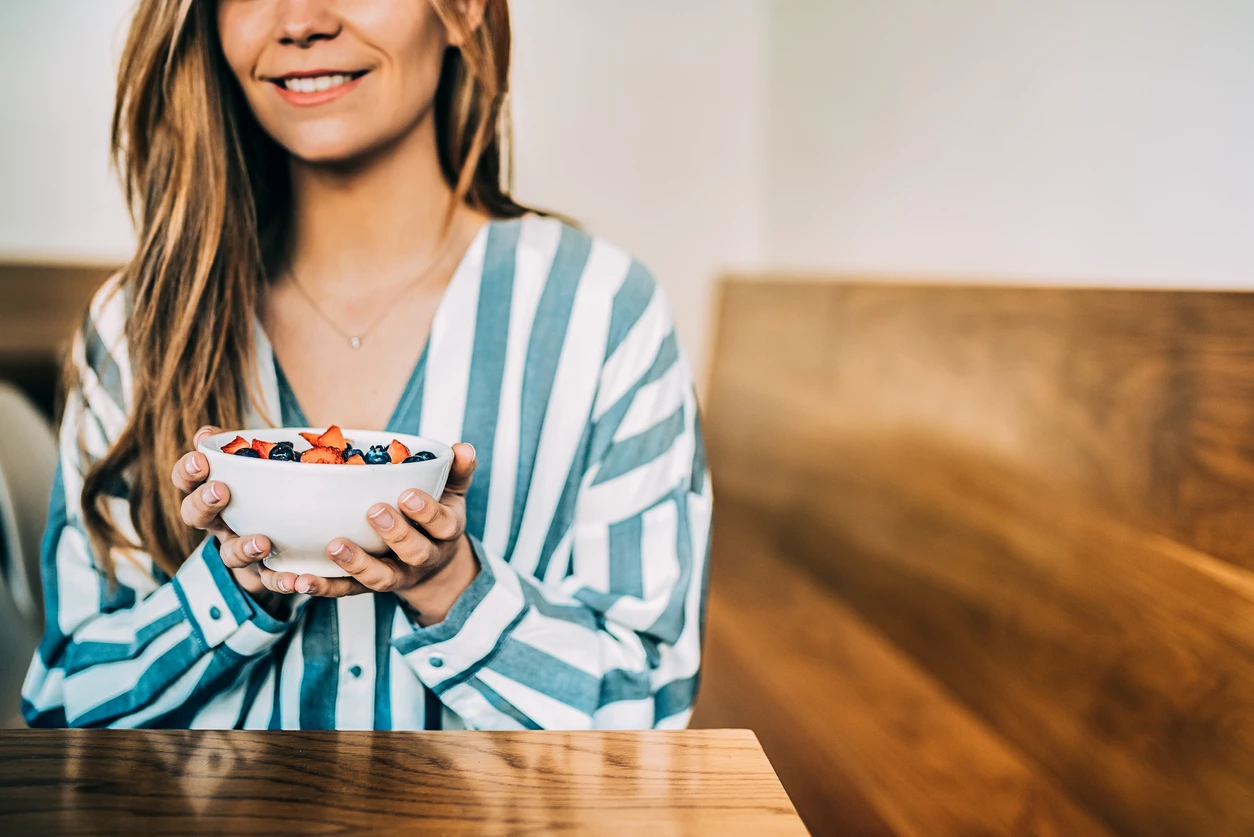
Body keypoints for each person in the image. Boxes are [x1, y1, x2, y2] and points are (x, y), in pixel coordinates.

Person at [22, 0, 710, 731]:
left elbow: (650, 708)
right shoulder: (136, 324)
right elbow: (67, 702)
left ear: (465, 11)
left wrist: (453, 586)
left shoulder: (602, 313)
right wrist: (231, 589)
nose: (299, 21)